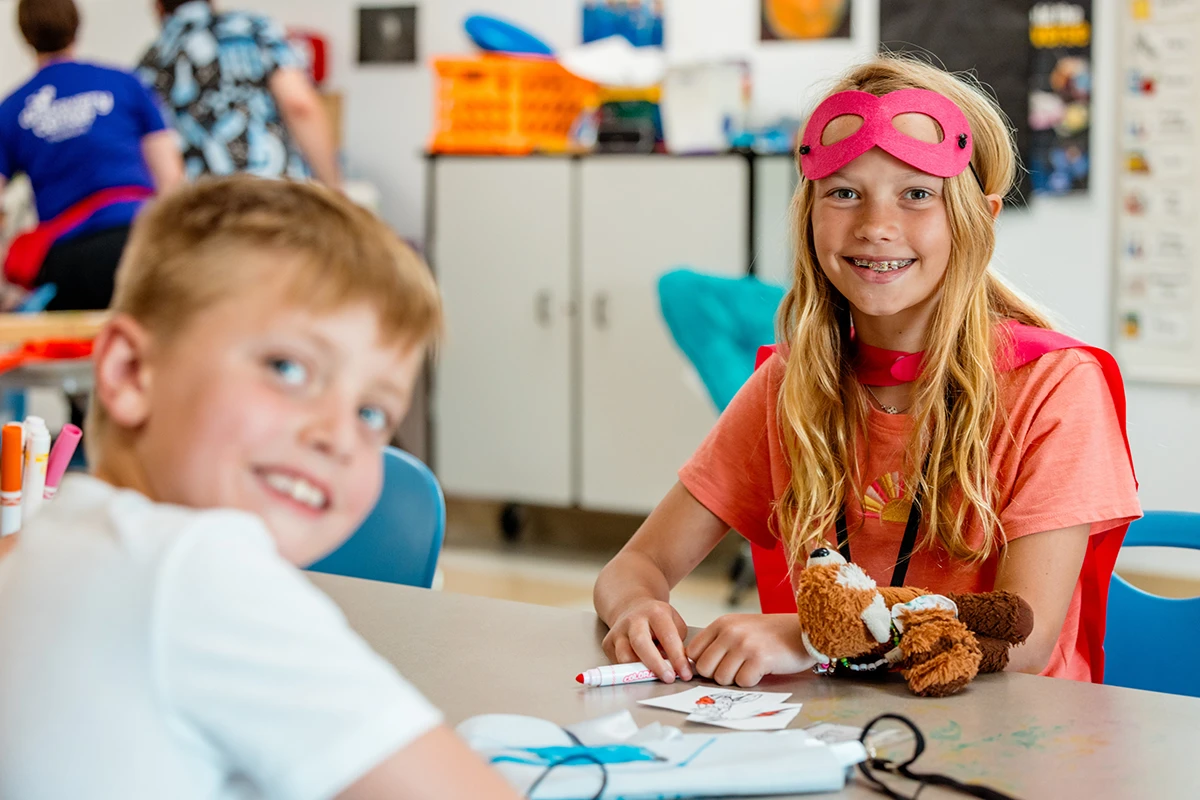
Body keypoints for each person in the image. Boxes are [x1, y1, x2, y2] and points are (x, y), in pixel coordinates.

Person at [593, 55, 1140, 688]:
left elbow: (1026, 636)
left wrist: (811, 636)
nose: (877, 227)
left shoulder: (1055, 387)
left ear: (978, 221)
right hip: (840, 737)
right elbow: (635, 564)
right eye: (845, 193)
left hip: (1011, 745)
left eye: (917, 195)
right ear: (809, 217)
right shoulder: (789, 387)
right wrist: (637, 608)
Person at [0, 176, 520, 799]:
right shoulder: (198, 571)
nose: (338, 434)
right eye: (289, 368)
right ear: (130, 372)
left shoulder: (47, 540)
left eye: (373, 412)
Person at [0, 0, 184, 311]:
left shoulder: (12, 109)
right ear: (77, 27)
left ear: (25, 36)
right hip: (140, 240)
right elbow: (172, 179)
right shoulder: (125, 83)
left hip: (70, 259)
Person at [138, 0, 340, 186]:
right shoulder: (252, 29)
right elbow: (299, 105)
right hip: (273, 193)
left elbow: (155, 149)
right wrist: (334, 190)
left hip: (200, 205)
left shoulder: (153, 59)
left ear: (158, 7)